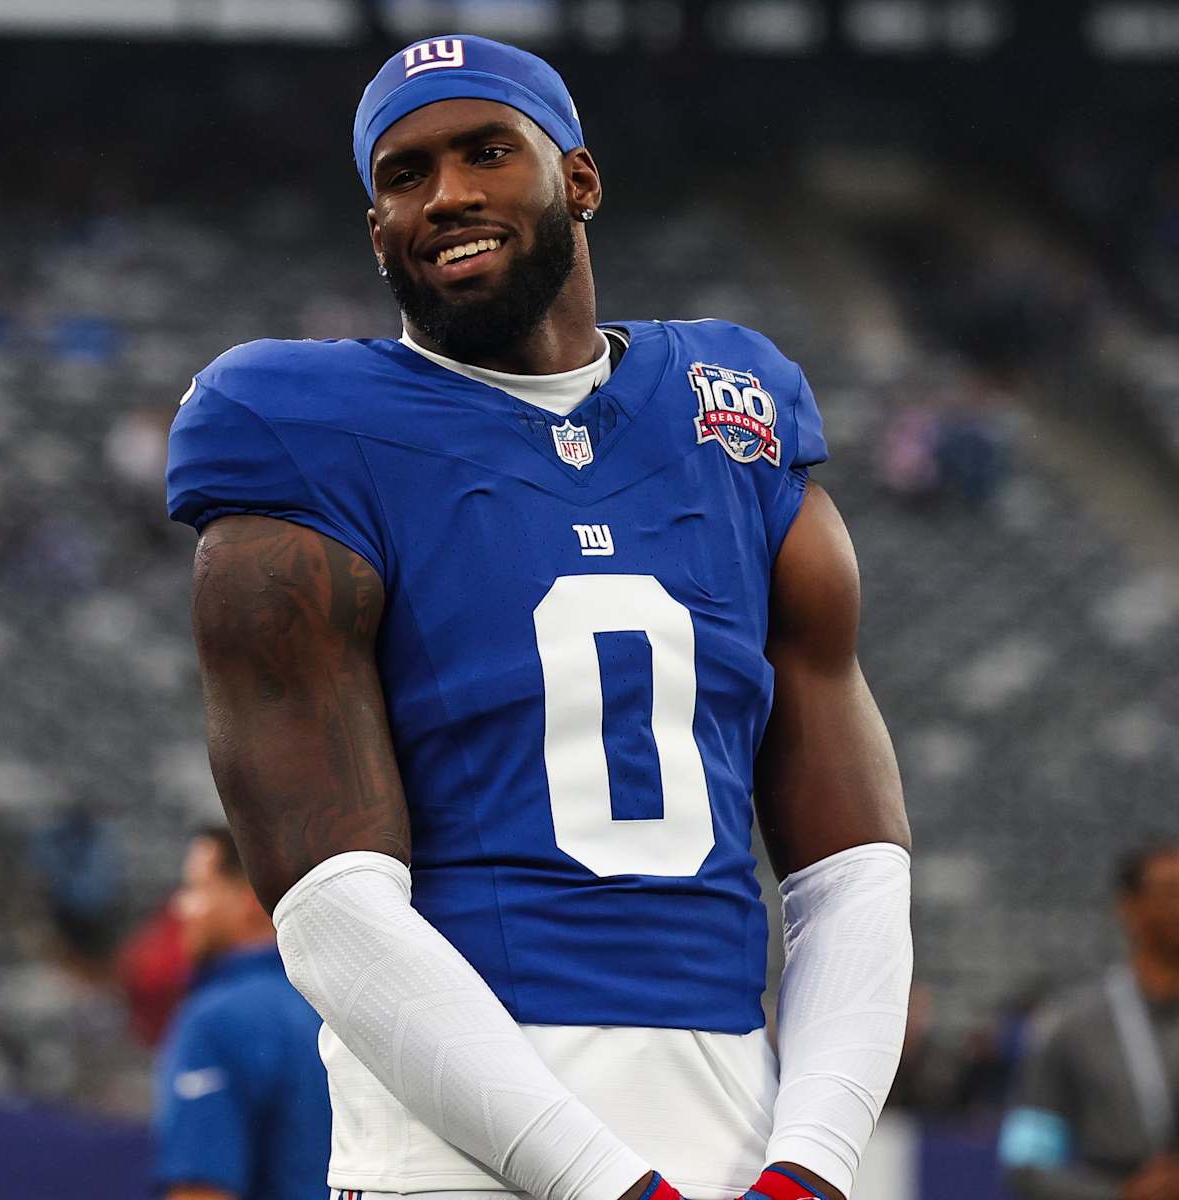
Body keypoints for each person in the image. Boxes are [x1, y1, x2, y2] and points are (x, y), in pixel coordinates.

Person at [166, 33, 914, 1200]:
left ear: (579, 178)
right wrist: (607, 1186)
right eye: (404, 175)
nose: (447, 193)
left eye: (486, 151)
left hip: (732, 1139)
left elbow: (852, 866)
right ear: (376, 230)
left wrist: (810, 1168)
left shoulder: (736, 414)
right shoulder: (296, 426)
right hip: (457, 1158)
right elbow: (327, 907)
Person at [999, 840, 1179, 1200]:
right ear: (1128, 906)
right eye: (1173, 893)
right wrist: (1120, 1197)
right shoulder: (1069, 1032)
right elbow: (1026, 1165)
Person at [154, 827, 332, 1200]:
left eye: (198, 887)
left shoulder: (217, 1019)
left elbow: (201, 1189)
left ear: (251, 897)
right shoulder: (341, 1005)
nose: (181, 906)